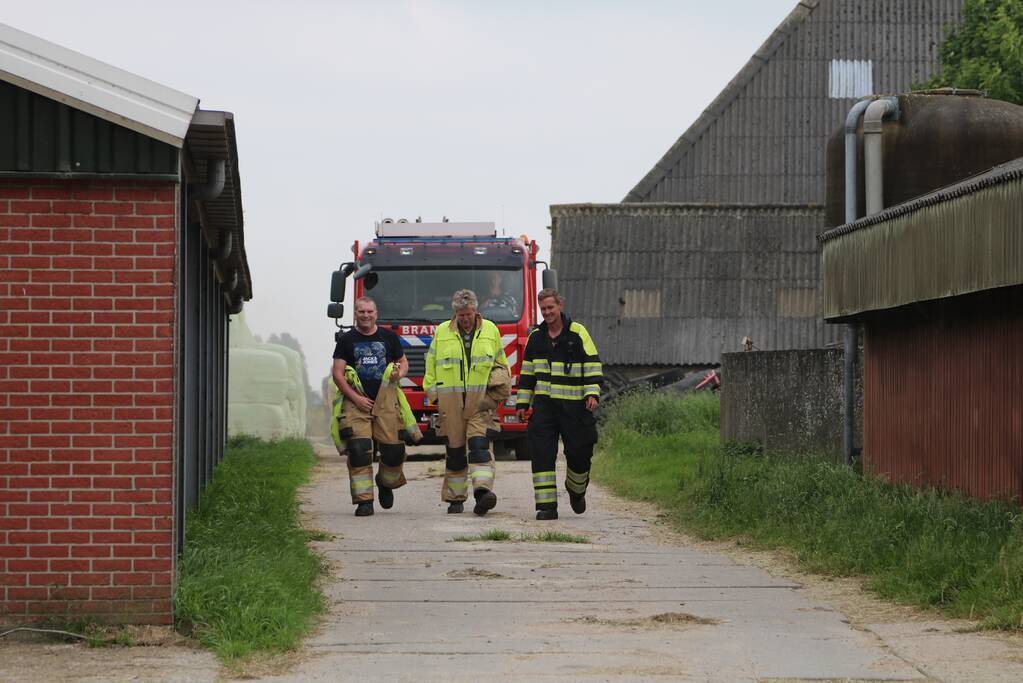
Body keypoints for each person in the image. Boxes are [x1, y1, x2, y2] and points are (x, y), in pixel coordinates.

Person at [516, 288, 603, 520]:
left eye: (550, 308)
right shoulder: (535, 338)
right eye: (543, 309)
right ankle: (546, 507)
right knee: (542, 454)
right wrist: (522, 404)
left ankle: (576, 491)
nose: (547, 313)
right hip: (545, 407)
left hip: (576, 407)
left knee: (579, 453)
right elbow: (527, 375)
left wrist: (592, 393)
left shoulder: (578, 333)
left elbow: (593, 365)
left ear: (560, 306)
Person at [423, 289, 511, 515]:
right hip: (450, 403)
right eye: (461, 314)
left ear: (476, 310)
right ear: (455, 313)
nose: (465, 318)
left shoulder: (490, 330)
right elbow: (430, 368)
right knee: (455, 452)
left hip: (480, 402)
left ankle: (483, 494)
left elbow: (501, 365)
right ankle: (455, 499)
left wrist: (493, 395)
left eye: (469, 313)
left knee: (479, 446)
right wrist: (435, 398)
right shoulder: (442, 332)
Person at [332, 296, 410, 517]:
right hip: (357, 404)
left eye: (369, 312)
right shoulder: (346, 340)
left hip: (386, 402)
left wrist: (400, 373)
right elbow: (337, 373)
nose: (365, 315)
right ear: (355, 314)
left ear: (376, 314)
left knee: (395, 451)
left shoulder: (389, 337)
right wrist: (355, 398)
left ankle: (385, 483)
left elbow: (403, 362)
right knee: (359, 451)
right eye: (361, 312)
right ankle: (364, 501)